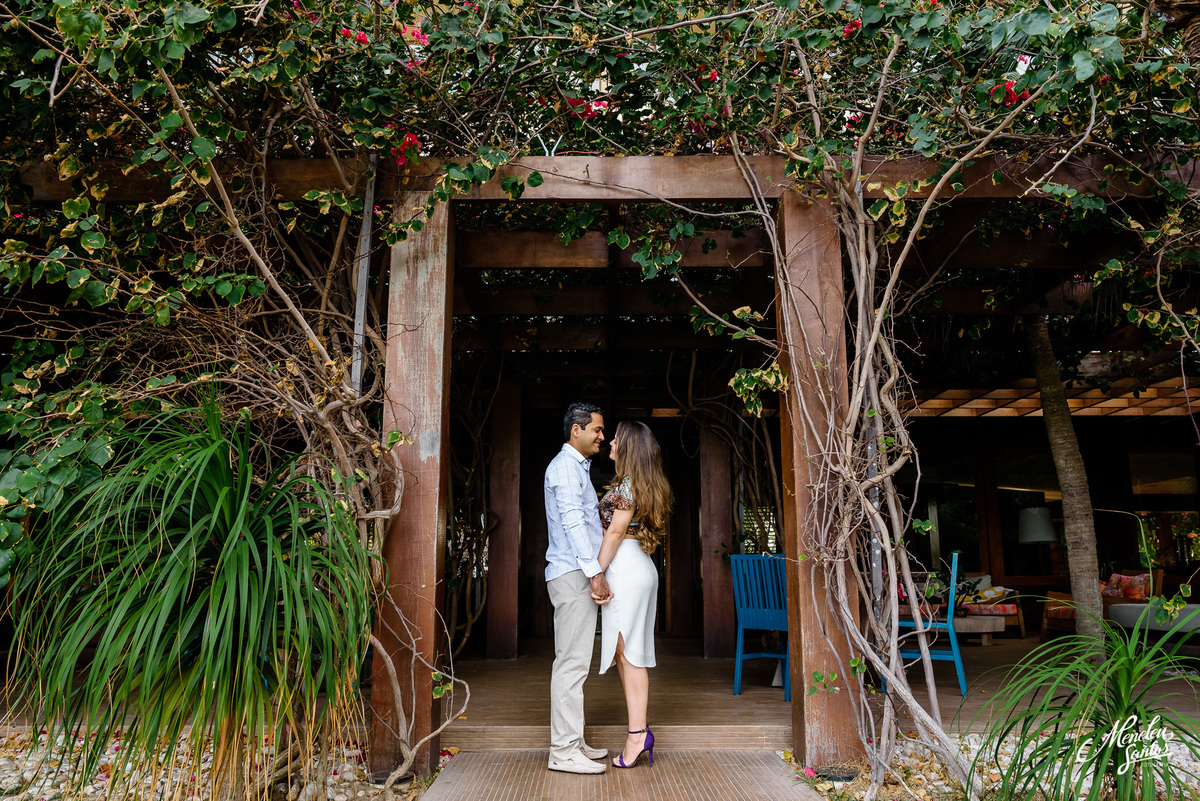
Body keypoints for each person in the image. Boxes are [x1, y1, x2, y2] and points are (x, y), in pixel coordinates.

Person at [596, 420, 673, 769]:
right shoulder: (639, 484)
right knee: (627, 654)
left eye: (615, 439)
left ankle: (637, 734)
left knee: (630, 655)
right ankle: (639, 732)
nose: (610, 443)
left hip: (625, 568)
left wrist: (594, 573)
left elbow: (613, 532)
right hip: (636, 565)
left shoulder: (627, 485)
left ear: (627, 448)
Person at [543, 402, 612, 775]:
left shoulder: (574, 467)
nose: (602, 436)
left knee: (574, 663)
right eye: (597, 430)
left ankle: (574, 740)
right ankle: (563, 751)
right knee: (571, 664)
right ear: (576, 430)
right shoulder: (567, 468)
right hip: (573, 574)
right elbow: (572, 523)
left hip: (572, 573)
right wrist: (594, 573)